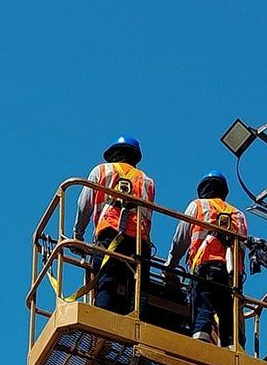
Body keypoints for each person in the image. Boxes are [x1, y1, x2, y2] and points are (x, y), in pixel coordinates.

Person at [74, 137, 155, 315]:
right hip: (139, 243)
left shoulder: (101, 170)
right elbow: (148, 217)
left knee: (107, 280)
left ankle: (103, 322)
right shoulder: (147, 181)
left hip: (109, 234)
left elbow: (84, 205)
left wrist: (78, 236)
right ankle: (137, 322)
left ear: (113, 154)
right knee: (138, 288)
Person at [166, 175, 248, 346]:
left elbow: (180, 241)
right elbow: (242, 249)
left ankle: (200, 343)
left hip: (206, 267)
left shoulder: (198, 206)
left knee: (203, 304)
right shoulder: (238, 215)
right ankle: (232, 347)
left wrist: (170, 267)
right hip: (232, 276)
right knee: (228, 314)